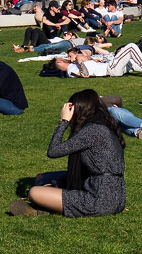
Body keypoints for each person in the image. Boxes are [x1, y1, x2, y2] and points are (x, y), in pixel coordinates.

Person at [13, 89, 126, 217]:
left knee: (34, 193)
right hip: (114, 196)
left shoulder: (93, 131)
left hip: (99, 199)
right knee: (41, 178)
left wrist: (64, 121)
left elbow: (53, 151)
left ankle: (45, 208)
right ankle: (49, 206)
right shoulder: (104, 126)